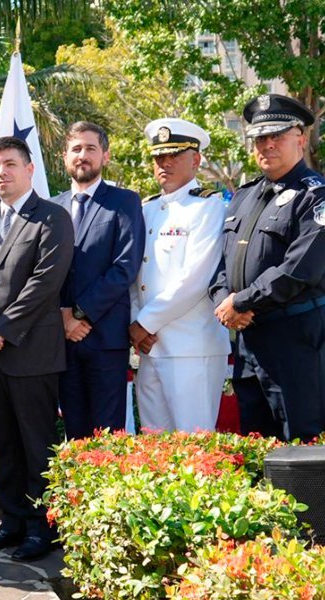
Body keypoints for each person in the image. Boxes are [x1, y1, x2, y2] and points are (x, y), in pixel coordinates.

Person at [0, 136, 73, 562]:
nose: (1, 173)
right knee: (3, 444)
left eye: (10, 164)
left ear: (30, 169)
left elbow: (45, 283)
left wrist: (2, 332)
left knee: (35, 444)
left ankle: (41, 529)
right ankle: (10, 523)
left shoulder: (52, 218)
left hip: (29, 351)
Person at [209, 94, 325, 441]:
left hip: (294, 341)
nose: (267, 145)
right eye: (260, 138)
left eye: (277, 136)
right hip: (248, 341)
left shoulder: (316, 196)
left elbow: (300, 269)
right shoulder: (244, 196)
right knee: (258, 444)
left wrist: (242, 302)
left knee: (303, 445)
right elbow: (221, 263)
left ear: (301, 139)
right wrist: (225, 302)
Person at [130, 119, 230, 432]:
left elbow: (195, 280)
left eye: (174, 155)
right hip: (149, 347)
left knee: (195, 450)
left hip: (191, 346)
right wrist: (136, 323)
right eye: (159, 157)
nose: (165, 163)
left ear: (196, 160)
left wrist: (142, 324)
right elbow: (134, 274)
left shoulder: (209, 207)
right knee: (155, 454)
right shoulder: (145, 209)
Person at [53, 122, 144, 439]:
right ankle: (75, 491)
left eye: (90, 148)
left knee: (108, 437)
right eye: (76, 149)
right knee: (74, 435)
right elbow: (42, 272)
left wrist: (79, 313)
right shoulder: (52, 207)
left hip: (105, 339)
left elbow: (124, 267)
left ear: (105, 156)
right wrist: (62, 316)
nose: (82, 155)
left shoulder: (125, 202)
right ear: (65, 157)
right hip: (61, 342)